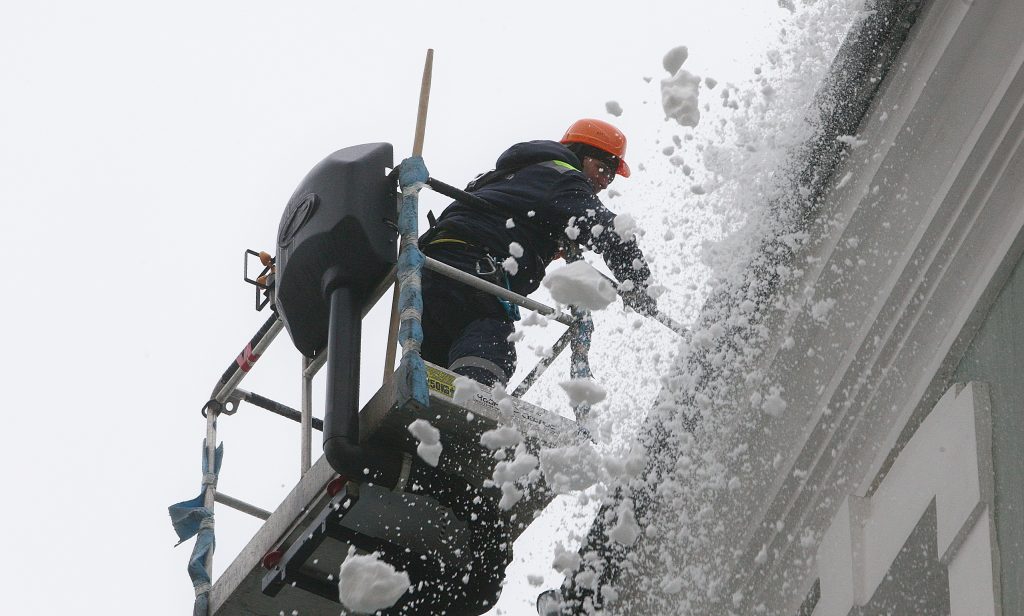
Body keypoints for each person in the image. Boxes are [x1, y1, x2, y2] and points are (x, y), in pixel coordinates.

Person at [419, 118, 657, 386]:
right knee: (491, 346)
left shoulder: (519, 173)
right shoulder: (561, 177)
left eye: (610, 176)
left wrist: (542, 240)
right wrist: (639, 285)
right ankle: (466, 415)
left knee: (434, 377)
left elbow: (509, 214)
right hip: (472, 274)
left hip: (432, 273)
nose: (603, 182)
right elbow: (609, 231)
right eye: (601, 168)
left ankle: (429, 421)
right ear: (578, 155)